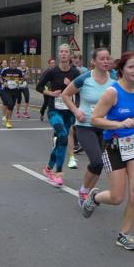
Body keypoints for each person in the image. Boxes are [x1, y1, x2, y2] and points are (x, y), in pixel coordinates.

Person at [82, 51, 134, 251]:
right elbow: (95, 119)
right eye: (131, 67)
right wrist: (118, 124)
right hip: (113, 146)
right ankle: (95, 197)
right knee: (116, 197)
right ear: (122, 69)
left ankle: (124, 234)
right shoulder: (112, 92)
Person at [61, 47, 115, 206]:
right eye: (102, 59)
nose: (106, 61)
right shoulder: (84, 79)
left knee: (99, 164)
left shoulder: (114, 81)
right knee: (97, 161)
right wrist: (76, 111)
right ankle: (84, 191)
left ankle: (85, 191)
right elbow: (65, 94)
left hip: (105, 127)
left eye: (108, 58)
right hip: (85, 125)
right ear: (93, 61)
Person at [36, 44, 80, 187]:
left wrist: (71, 85)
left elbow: (81, 90)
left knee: (62, 141)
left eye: (66, 52)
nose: (63, 54)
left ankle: (48, 168)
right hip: (54, 110)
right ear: (58, 54)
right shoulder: (52, 71)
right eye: (61, 51)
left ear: (70, 55)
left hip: (69, 112)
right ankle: (59, 173)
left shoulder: (75, 72)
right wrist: (51, 93)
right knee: (62, 136)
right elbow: (39, 87)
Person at [0, 58, 24, 129]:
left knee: (11, 106)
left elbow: (22, 80)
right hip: (6, 90)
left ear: (16, 63)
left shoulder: (19, 71)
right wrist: (3, 83)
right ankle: (9, 121)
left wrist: (19, 82)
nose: (13, 64)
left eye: (14, 63)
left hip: (15, 90)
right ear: (9, 63)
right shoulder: (5, 70)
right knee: (10, 103)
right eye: (12, 63)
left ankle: (7, 118)